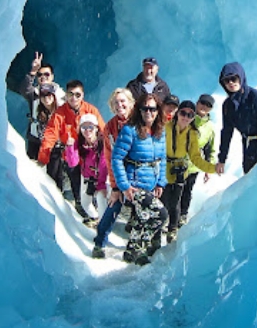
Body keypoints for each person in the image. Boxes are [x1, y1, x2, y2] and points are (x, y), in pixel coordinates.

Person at [111, 93, 168, 265]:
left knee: (143, 217)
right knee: (160, 214)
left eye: (152, 109)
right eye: (145, 108)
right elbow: (116, 158)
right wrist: (124, 186)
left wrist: (160, 182)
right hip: (134, 185)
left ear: (158, 111)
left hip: (151, 182)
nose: (148, 112)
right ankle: (139, 249)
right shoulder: (130, 130)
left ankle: (130, 252)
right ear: (139, 110)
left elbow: (162, 159)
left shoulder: (159, 131)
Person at [39, 80, 105, 210]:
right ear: (66, 95)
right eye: (70, 94)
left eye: (77, 95)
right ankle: (80, 205)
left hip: (90, 154)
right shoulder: (60, 113)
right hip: (71, 155)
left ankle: (96, 207)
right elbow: (50, 134)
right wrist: (43, 157)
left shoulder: (91, 110)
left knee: (93, 184)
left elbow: (103, 130)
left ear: (83, 95)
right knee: (76, 181)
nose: (73, 98)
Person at [162, 100, 217, 243]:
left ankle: (172, 230)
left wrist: (212, 168)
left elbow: (195, 158)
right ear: (177, 113)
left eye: (190, 115)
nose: (185, 117)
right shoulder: (165, 128)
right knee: (163, 201)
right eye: (183, 113)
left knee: (175, 203)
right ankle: (156, 233)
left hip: (180, 171)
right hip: (163, 170)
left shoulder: (192, 134)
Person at [91, 88, 135, 259]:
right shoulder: (110, 127)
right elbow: (109, 158)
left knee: (141, 210)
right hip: (120, 172)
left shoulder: (141, 123)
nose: (120, 105)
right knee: (114, 204)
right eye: (116, 102)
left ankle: (135, 247)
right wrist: (115, 186)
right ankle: (99, 243)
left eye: (123, 101)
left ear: (131, 103)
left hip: (139, 173)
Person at [215, 62, 257, 175]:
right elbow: (227, 132)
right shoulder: (228, 106)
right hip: (249, 144)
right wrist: (222, 159)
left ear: (241, 77)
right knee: (250, 176)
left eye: (234, 78)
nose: (230, 82)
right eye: (226, 80)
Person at [179, 94, 216, 227]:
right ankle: (172, 216)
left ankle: (182, 216)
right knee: (174, 190)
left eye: (208, 105)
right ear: (197, 102)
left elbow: (210, 149)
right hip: (178, 161)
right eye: (203, 103)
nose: (204, 107)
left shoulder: (210, 127)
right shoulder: (186, 116)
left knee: (187, 190)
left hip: (194, 164)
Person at [64, 114, 108, 227]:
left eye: (90, 127)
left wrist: (101, 185)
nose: (87, 130)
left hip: (102, 178)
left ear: (96, 128)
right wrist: (69, 147)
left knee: (101, 200)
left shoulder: (103, 144)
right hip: (88, 177)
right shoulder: (79, 143)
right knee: (85, 202)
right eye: (84, 127)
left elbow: (104, 166)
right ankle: (95, 217)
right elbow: (72, 163)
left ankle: (103, 226)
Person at [21, 52, 65, 159]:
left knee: (54, 175)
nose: (43, 77)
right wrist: (33, 71)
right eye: (40, 75)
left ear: (52, 76)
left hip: (55, 143)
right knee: (32, 172)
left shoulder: (61, 96)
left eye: (46, 74)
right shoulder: (34, 94)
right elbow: (24, 89)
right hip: (35, 141)